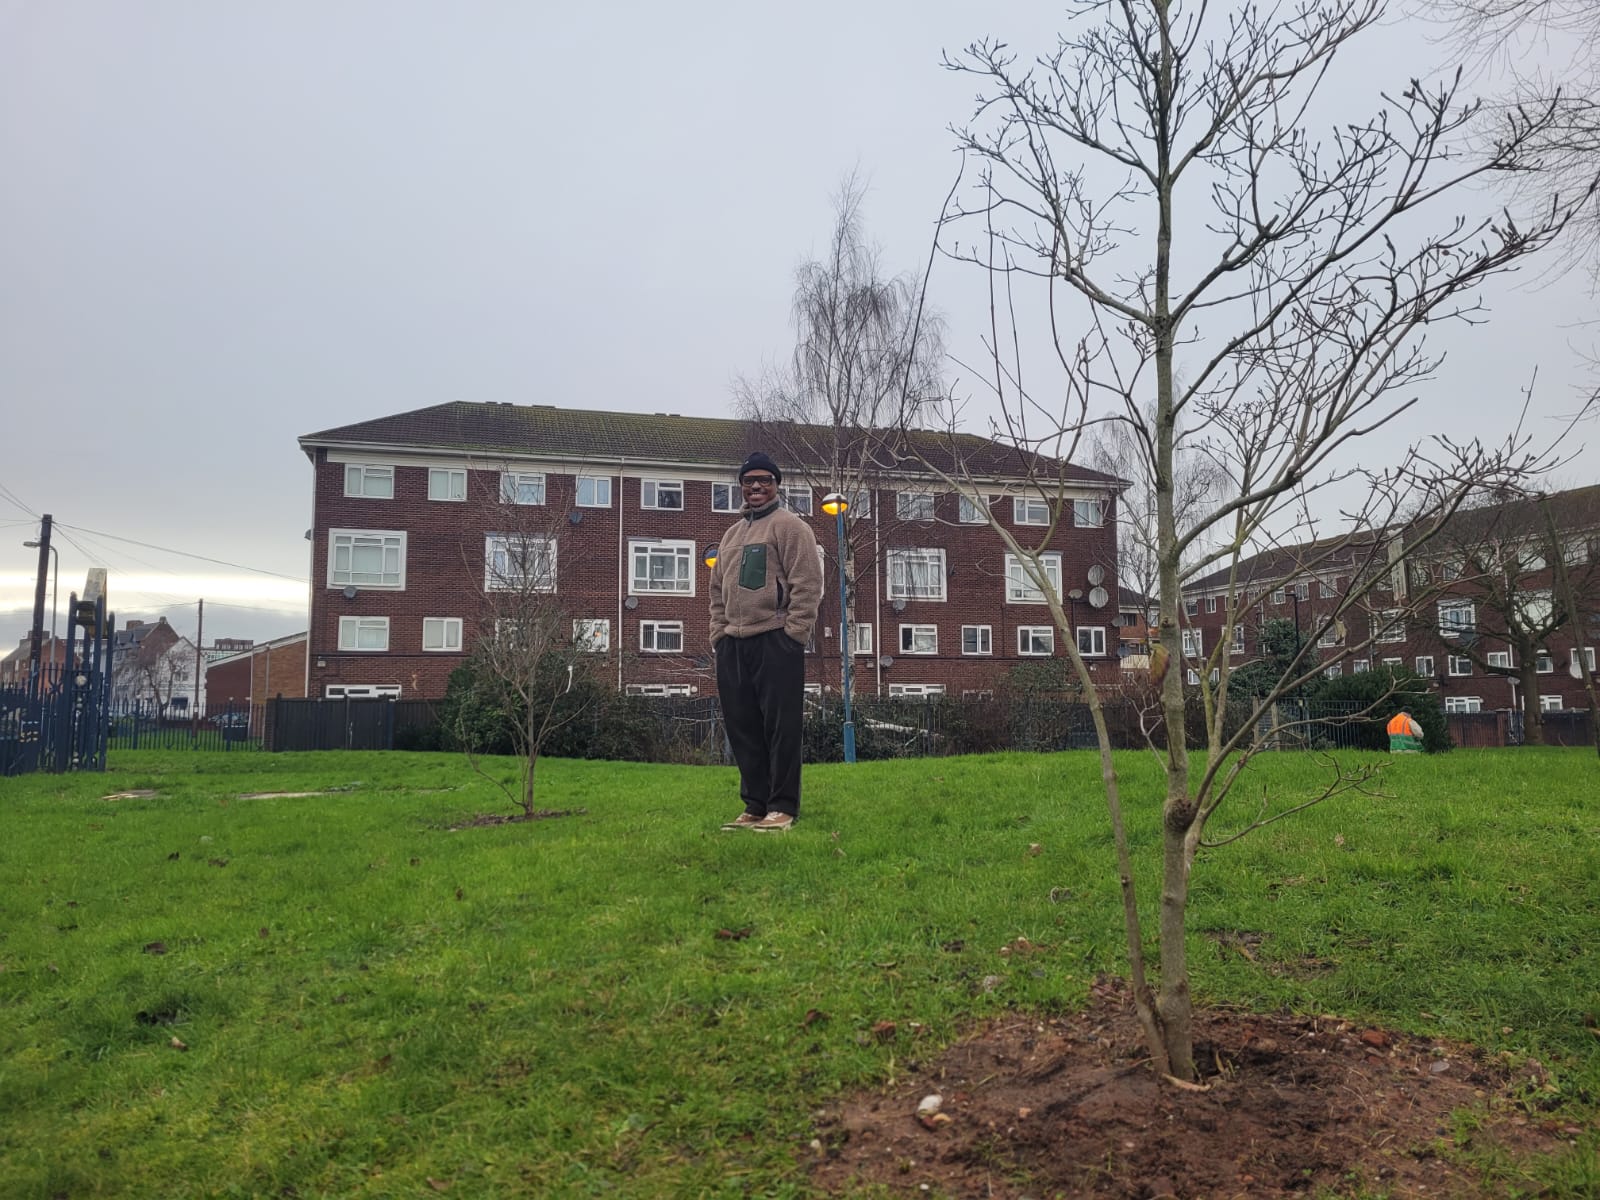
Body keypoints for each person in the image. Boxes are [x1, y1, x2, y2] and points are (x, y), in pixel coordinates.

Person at [708, 452, 823, 832]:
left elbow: (807, 583)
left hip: (776, 640)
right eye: (748, 481)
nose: (756, 487)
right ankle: (755, 805)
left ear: (776, 485)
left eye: (765, 480)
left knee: (781, 727)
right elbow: (716, 590)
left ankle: (782, 806)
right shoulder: (731, 535)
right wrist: (719, 634)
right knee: (743, 727)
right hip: (734, 645)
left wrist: (794, 634)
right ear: (741, 486)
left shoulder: (790, 527)